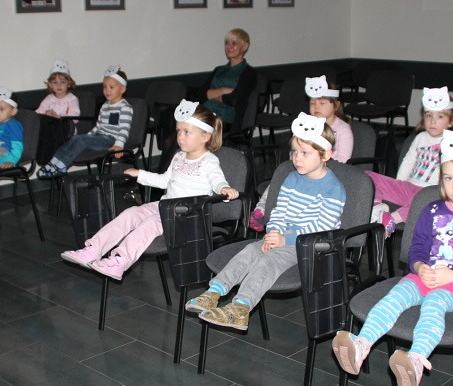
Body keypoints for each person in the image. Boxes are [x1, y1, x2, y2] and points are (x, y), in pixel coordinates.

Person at [332, 129, 453, 386]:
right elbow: (418, 247)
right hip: (425, 275)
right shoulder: (431, 209)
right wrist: (420, 266)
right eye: (449, 178)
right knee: (395, 296)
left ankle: (415, 360)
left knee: (434, 303)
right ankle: (361, 345)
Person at [184, 112, 346, 330]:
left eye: (305, 153)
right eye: (294, 151)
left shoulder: (333, 189)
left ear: (325, 154)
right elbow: (279, 210)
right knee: (250, 251)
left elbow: (322, 227)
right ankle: (214, 292)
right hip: (283, 237)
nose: (297, 158)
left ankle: (240, 308)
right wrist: (273, 232)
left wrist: (284, 239)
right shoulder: (292, 178)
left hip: (312, 246)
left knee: (267, 261)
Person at [61, 100, 239, 280]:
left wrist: (224, 189)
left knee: (151, 223)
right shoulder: (179, 156)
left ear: (205, 136)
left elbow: (217, 181)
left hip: (188, 215)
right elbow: (164, 181)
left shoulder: (209, 161)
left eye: (187, 132)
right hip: (166, 207)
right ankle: (93, 250)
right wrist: (140, 174)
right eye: (178, 131)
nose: (180, 136)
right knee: (131, 213)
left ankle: (119, 261)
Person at [249, 75, 354, 231]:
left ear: (336, 105)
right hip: (306, 167)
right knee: (280, 178)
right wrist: (300, 158)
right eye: (312, 103)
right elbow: (296, 149)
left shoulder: (342, 129)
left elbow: (344, 159)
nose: (316, 107)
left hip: (327, 171)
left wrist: (318, 160)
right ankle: (262, 209)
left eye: (322, 103)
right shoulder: (306, 125)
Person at [368, 86, 453, 235]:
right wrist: (399, 184)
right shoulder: (420, 137)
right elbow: (408, 161)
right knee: (369, 176)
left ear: (451, 121)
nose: (433, 121)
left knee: (429, 202)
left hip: (430, 192)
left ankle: (392, 219)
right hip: (409, 187)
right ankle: (378, 209)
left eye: (440, 117)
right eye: (428, 115)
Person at [37, 65, 132, 179]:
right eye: (105, 87)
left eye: (111, 87)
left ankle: (61, 166)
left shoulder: (124, 107)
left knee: (82, 141)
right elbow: (99, 126)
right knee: (75, 138)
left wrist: (119, 145)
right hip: (99, 137)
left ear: (122, 89)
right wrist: (88, 135)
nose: (107, 90)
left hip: (111, 140)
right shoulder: (105, 106)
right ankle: (52, 164)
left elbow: (124, 129)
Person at [199, 28, 257, 130]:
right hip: (206, 112)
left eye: (234, 43)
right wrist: (223, 91)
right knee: (182, 125)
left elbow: (234, 100)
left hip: (226, 118)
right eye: (226, 43)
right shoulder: (218, 70)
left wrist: (212, 94)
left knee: (193, 129)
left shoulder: (249, 72)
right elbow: (201, 94)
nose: (228, 47)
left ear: (245, 46)